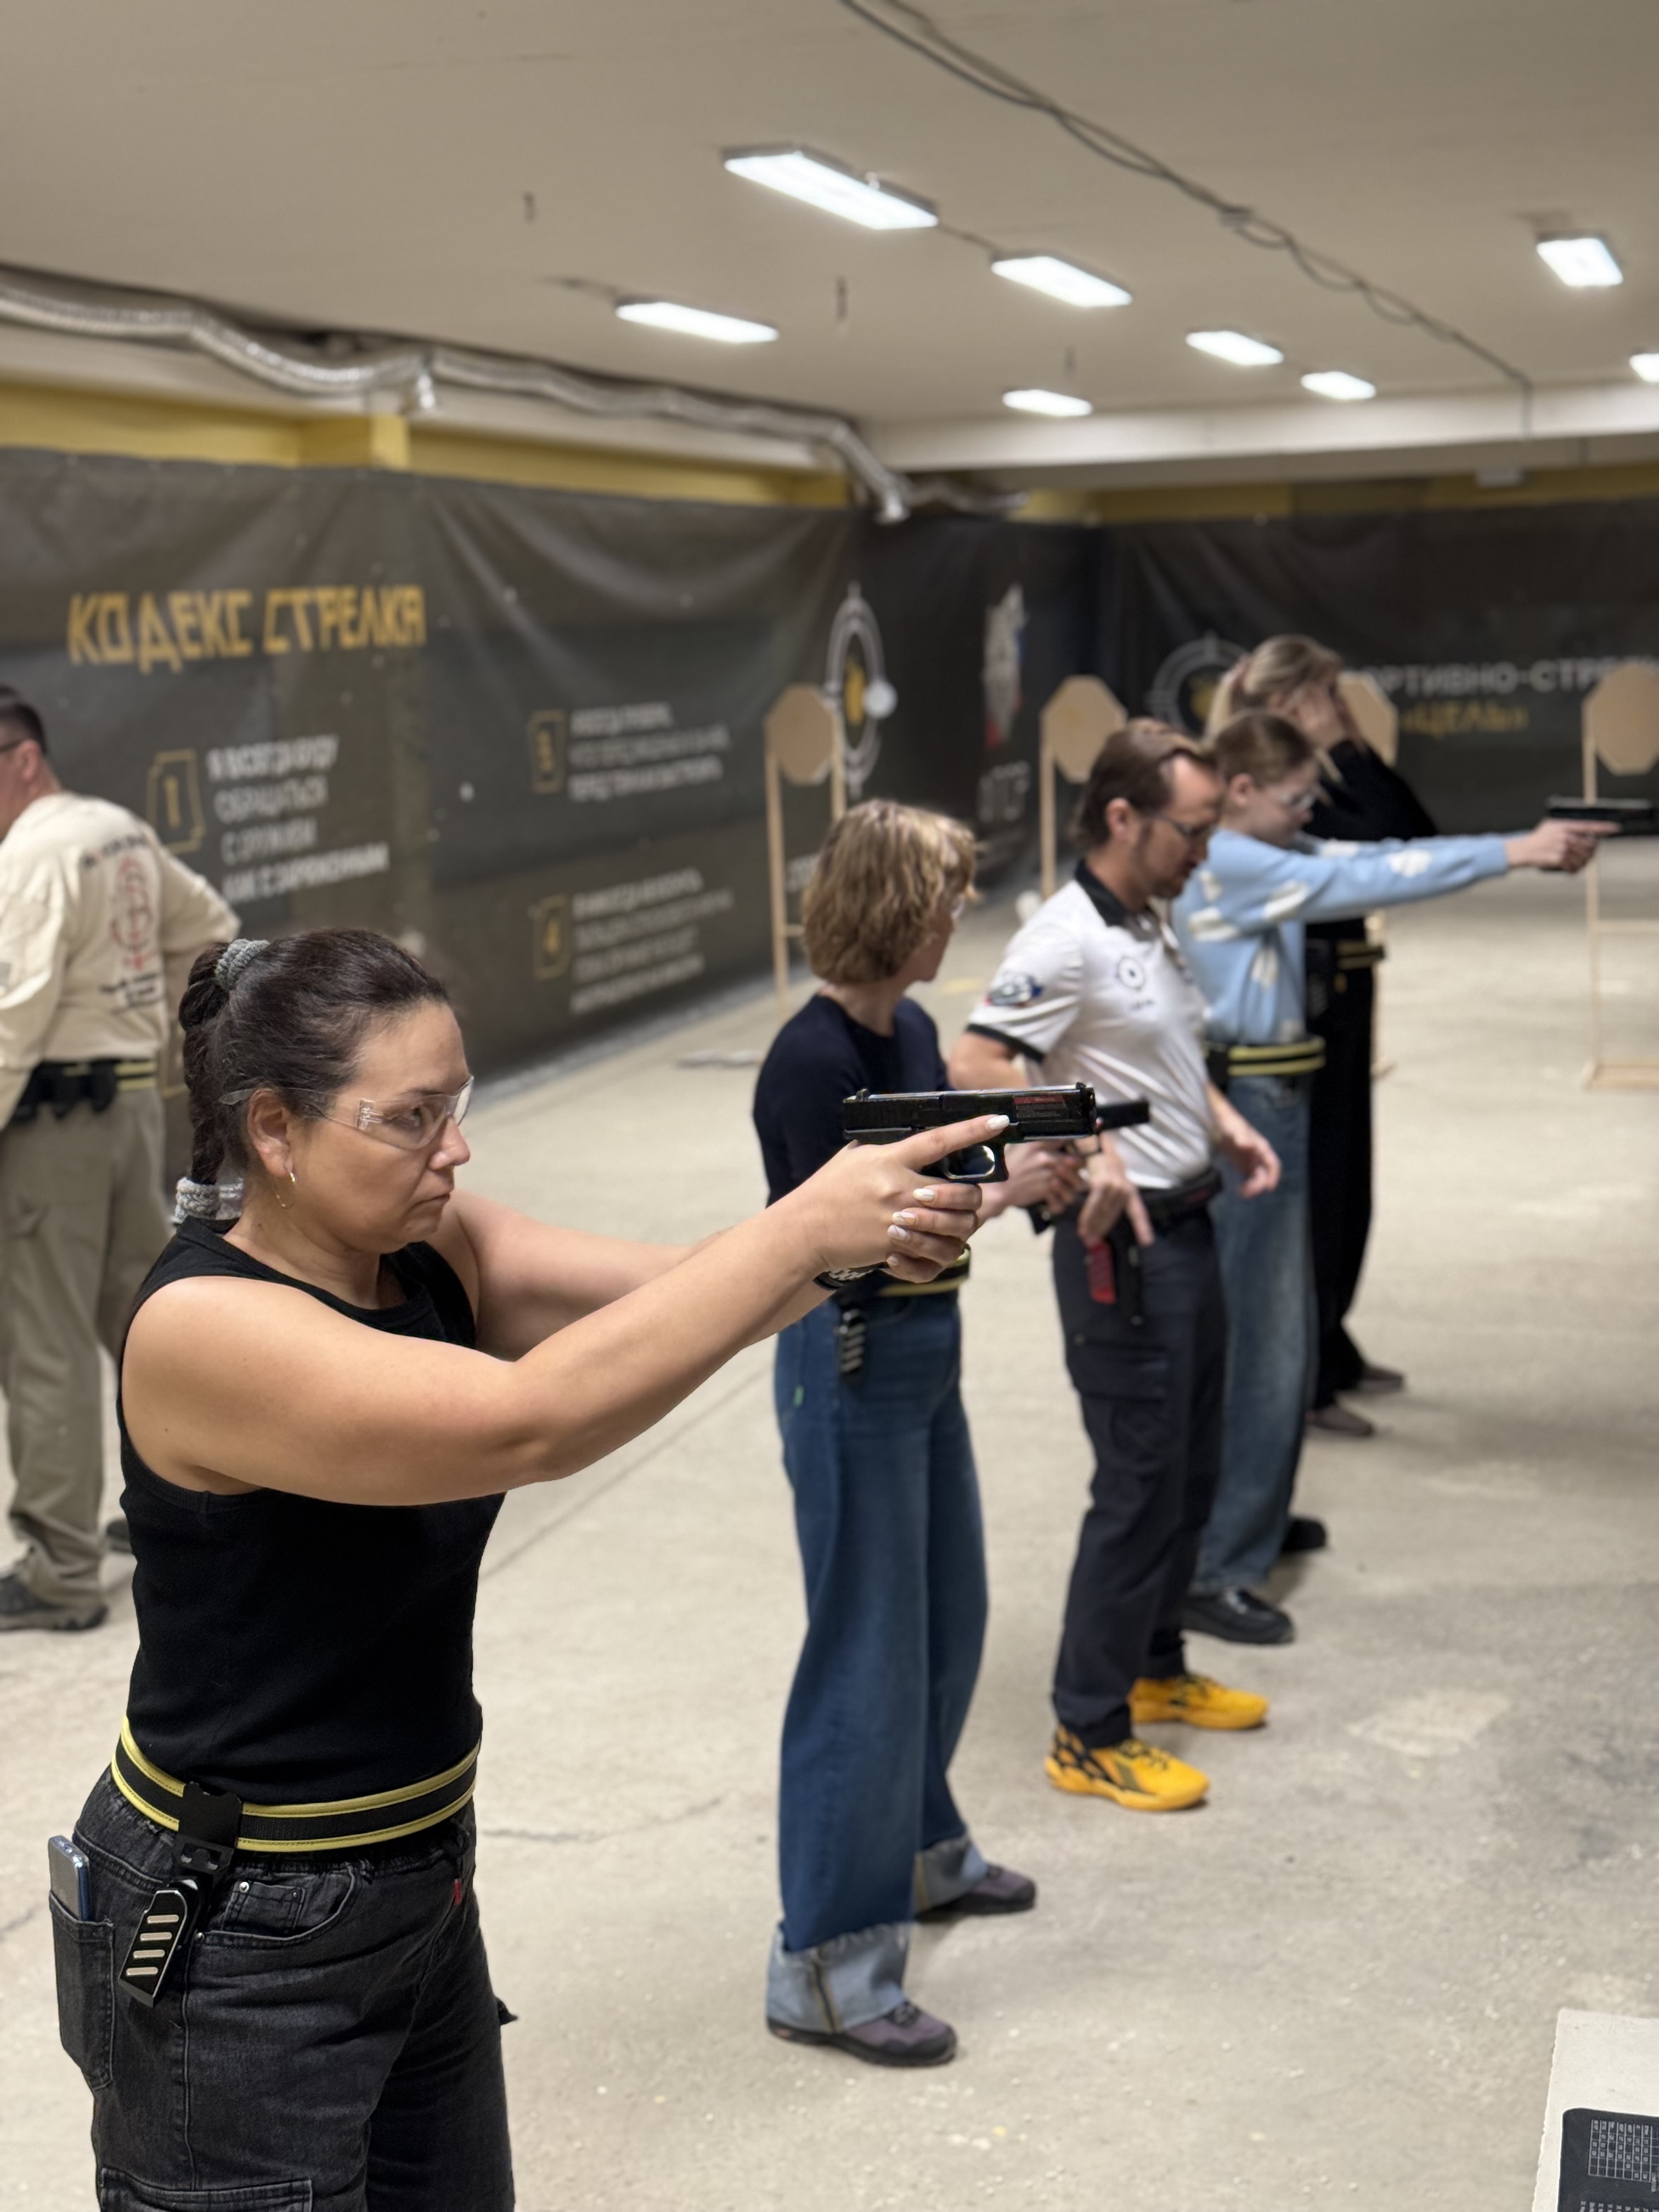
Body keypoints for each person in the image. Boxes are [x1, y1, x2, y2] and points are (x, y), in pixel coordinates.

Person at [56, 927, 997, 2207]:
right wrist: (805, 1236)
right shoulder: (200, 1327)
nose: (454, 1148)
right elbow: (530, 1422)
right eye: (411, 1117)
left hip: (417, 1878)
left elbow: (679, 1294)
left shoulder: (429, 1250)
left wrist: (864, 1238)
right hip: (244, 1927)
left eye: (459, 1106)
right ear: (273, 1128)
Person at [753, 801, 1082, 2070]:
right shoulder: (809, 1062)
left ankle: (921, 1848)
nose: (958, 918)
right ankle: (827, 1967)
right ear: (896, 908)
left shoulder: (909, 1030)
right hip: (851, 1357)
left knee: (949, 1617)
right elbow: (862, 1241)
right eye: (945, 898)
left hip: (921, 1354)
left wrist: (1027, 1146)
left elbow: (947, 1169)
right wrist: (1008, 1189)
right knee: (868, 1653)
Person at [1169, 710, 1605, 1641]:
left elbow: (1378, 854)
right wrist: (1518, 851)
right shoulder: (1237, 861)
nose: (1308, 815)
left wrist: (1511, 848)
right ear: (1241, 793)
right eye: (1294, 800)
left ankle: (1251, 1517)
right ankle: (1219, 1563)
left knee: (1279, 1331)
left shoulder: (1259, 850)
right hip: (1250, 1103)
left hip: (1271, 1095)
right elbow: (1365, 875)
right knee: (1264, 1341)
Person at [949, 722, 1279, 1816]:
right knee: (1137, 1483)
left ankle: (1154, 1665)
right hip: (1121, 1250)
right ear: (1125, 818)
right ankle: (1088, 1730)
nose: (1205, 851)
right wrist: (1083, 1150)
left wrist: (1220, 1120)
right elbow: (979, 1060)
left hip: (1189, 1222)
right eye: (1192, 830)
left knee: (1189, 1468)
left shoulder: (1147, 920)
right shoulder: (1065, 938)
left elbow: (1157, 1057)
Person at [0, 690, 236, 1632]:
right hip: (133, 1105)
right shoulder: (116, 830)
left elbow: (11, 1017)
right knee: (143, 1321)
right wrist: (146, 1027)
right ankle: (197, 1504)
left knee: (44, 1340)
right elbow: (211, 928)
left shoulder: (34, 855)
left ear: (23, 760)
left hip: (51, 1125)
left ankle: (61, 1569)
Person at [1206, 636, 1437, 1438]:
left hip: (1338, 996)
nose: (1340, 712)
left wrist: (1353, 747)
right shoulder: (1270, 795)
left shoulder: (1317, 778)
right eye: (1327, 699)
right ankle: (1301, 1374)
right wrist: (1341, 747)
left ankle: (1327, 1340)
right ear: (1286, 705)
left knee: (1348, 1185)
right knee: (1318, 1194)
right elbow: (1391, 845)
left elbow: (1412, 828)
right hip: (1296, 1008)